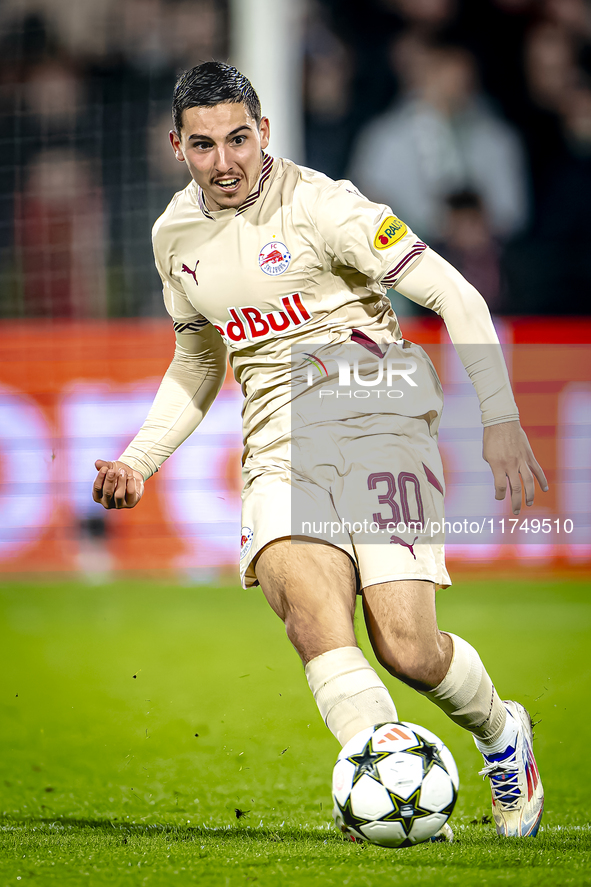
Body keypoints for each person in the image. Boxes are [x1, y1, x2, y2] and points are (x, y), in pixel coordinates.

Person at [92, 62, 547, 838]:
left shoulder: (324, 206)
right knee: (312, 617)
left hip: (378, 413)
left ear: (263, 131)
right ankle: (395, 782)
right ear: (178, 146)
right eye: (204, 146)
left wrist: (498, 417)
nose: (225, 161)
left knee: (406, 646)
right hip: (277, 442)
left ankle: (503, 734)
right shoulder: (175, 236)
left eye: (239, 138)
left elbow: (455, 294)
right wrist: (141, 458)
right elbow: (199, 359)